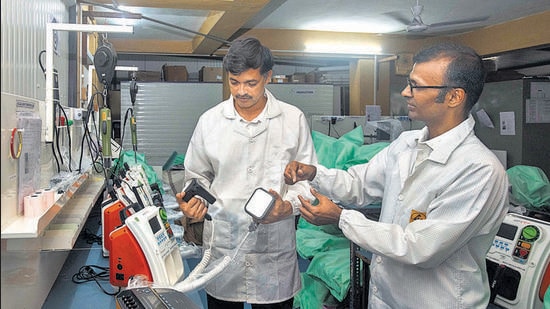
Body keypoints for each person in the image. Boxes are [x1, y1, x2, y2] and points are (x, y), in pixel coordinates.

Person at [284, 42, 509, 308]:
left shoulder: (478, 170)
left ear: (454, 97)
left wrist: (340, 218)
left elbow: (420, 247)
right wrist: (314, 173)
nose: (405, 92)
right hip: (387, 298)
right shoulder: (407, 143)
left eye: (416, 86)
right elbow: (358, 184)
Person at [176, 37, 317, 308]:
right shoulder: (210, 121)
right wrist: (195, 204)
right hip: (223, 246)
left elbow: (306, 182)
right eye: (234, 82)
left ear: (268, 77)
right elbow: (197, 175)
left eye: (251, 83)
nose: (241, 91)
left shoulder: (292, 119)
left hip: (273, 249)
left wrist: (287, 208)